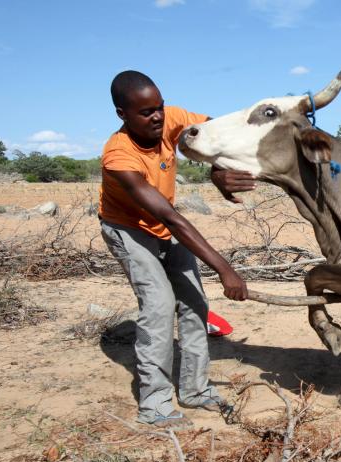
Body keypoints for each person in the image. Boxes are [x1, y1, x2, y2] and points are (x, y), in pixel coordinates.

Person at [99, 70, 257, 428]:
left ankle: (195, 390)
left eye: (159, 107)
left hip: (162, 224)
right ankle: (154, 404)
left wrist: (217, 169)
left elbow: (219, 133)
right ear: (122, 114)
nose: (157, 117)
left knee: (194, 301)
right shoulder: (119, 157)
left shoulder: (170, 119)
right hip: (128, 228)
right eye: (145, 112)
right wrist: (225, 268)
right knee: (158, 306)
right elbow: (171, 218)